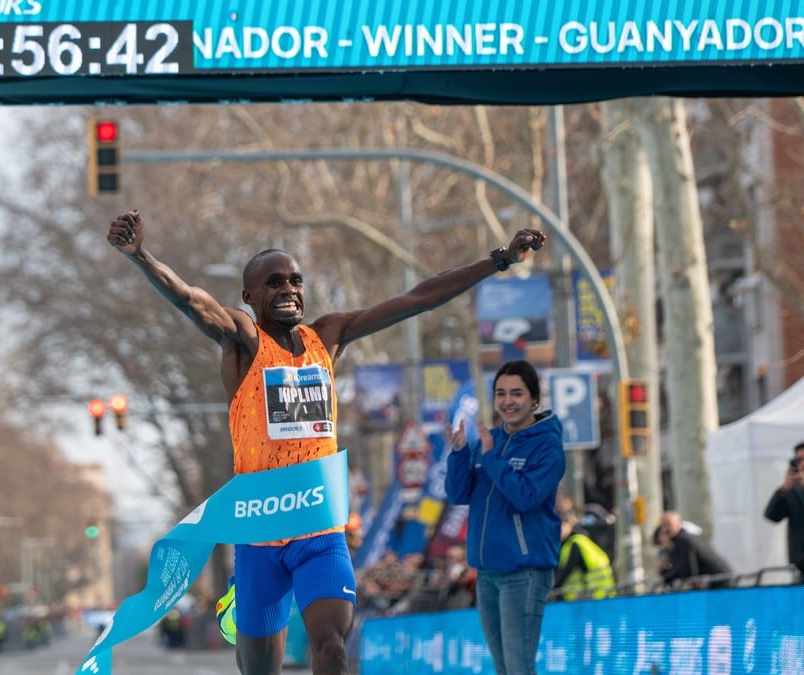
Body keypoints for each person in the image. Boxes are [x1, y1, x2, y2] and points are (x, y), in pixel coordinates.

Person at [107, 209, 545, 675]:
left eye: (295, 280)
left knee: (333, 647)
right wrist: (141, 257)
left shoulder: (328, 336)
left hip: (319, 530)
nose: (288, 290)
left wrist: (499, 260)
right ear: (249, 296)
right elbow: (191, 301)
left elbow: (419, 298)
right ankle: (244, 607)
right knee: (260, 670)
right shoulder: (245, 341)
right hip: (260, 534)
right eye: (274, 283)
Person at [445, 360, 566, 675]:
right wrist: (459, 453)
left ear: (533, 399)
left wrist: (492, 458)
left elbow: (526, 496)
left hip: (523, 573)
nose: (508, 402)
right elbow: (459, 495)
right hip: (487, 574)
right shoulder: (490, 440)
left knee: (518, 668)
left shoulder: (547, 446)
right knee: (504, 669)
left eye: (517, 393)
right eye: (501, 393)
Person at [655, 510, 734, 589]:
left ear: (679, 523)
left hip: (720, 585)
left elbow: (686, 571)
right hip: (719, 583)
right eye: (663, 525)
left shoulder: (684, 540)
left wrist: (665, 576)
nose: (665, 529)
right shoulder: (686, 538)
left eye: (668, 524)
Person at [554, 510, 616, 601]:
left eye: (559, 528)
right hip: (603, 595)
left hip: (592, 598)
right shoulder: (581, 540)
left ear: (568, 525)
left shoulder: (575, 543)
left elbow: (563, 573)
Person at [763, 441, 804, 578]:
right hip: (800, 566)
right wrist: (784, 489)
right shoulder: (793, 490)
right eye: (798, 460)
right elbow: (772, 516)